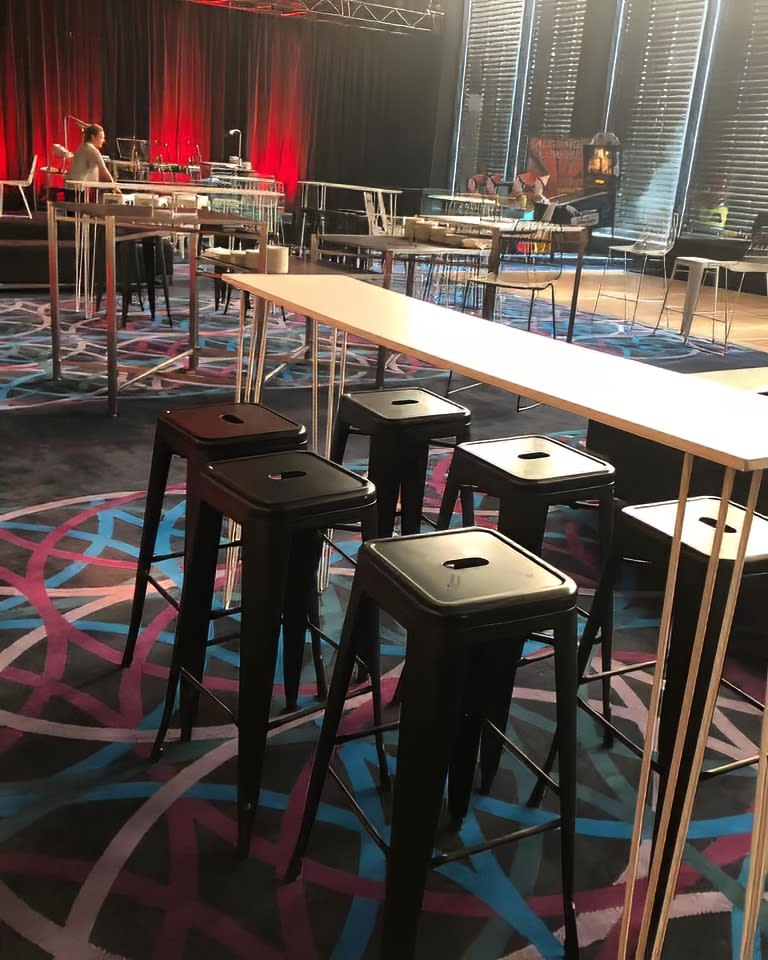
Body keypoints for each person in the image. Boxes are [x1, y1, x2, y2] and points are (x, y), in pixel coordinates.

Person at [65, 124, 121, 197]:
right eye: (101, 138)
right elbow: (103, 170)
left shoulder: (82, 146)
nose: (103, 141)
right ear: (93, 137)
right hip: (77, 190)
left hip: (72, 188)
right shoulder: (91, 149)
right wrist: (114, 186)